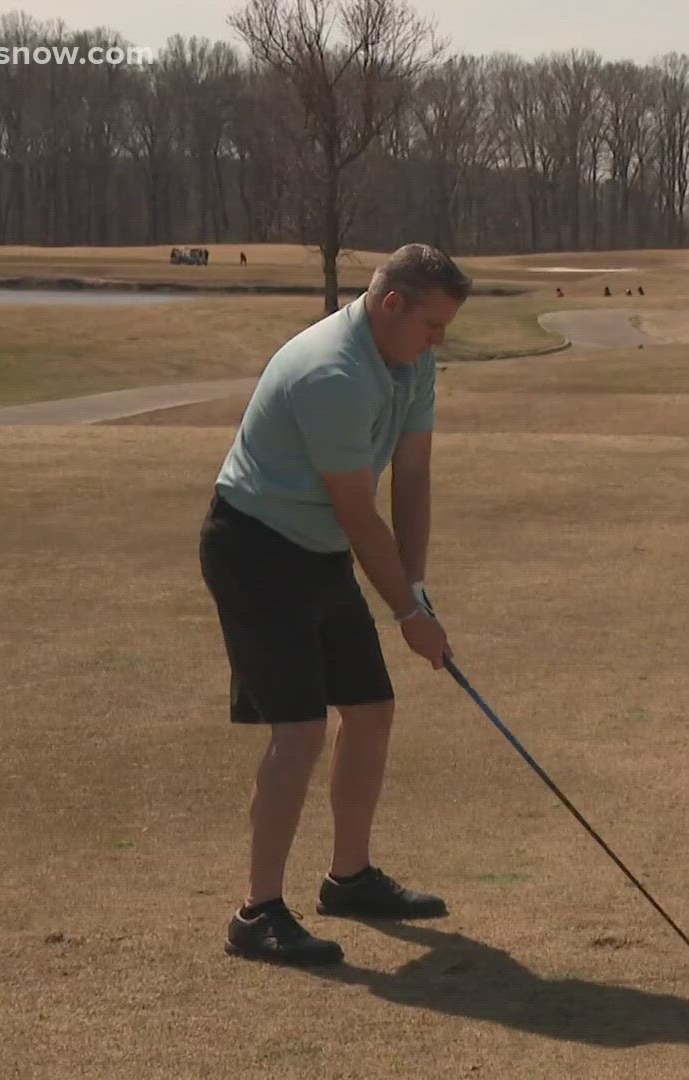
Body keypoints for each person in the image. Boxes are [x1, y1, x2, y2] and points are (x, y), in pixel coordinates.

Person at [200, 243, 470, 965]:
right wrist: (410, 620)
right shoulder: (334, 372)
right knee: (299, 731)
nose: (438, 341)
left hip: (318, 551)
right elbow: (357, 510)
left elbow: (410, 474)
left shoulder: (409, 364)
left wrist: (413, 589)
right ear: (392, 306)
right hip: (255, 550)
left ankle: (349, 878)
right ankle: (256, 915)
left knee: (372, 711)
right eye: (432, 325)